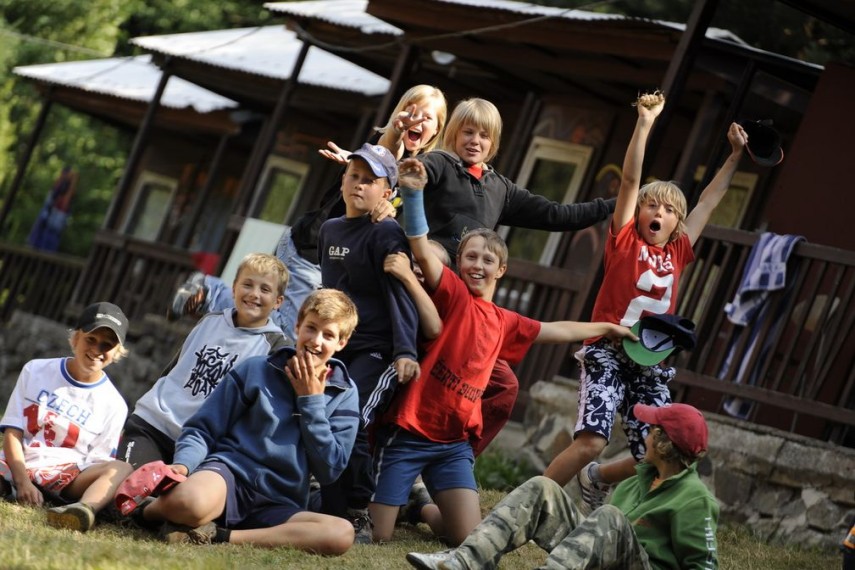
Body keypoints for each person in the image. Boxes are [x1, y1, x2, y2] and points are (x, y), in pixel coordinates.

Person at [367, 159, 636, 545]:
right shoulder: (452, 295)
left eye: (487, 259)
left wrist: (607, 328)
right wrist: (412, 194)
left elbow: (556, 329)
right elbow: (422, 249)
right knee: (379, 535)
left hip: (453, 445)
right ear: (459, 264)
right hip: (409, 434)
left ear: (501, 269)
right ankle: (392, 502)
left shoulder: (504, 320)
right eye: (470, 257)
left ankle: (419, 508)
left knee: (467, 538)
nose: (477, 265)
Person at [542, 92, 748, 513]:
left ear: (677, 223)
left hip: (650, 361)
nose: (658, 211)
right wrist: (645, 122)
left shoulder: (679, 251)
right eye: (650, 205)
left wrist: (735, 157)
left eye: (668, 209)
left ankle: (598, 478)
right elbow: (631, 181)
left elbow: (709, 200)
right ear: (638, 213)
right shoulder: (624, 241)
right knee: (591, 441)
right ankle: (529, 503)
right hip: (608, 351)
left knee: (657, 453)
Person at [169, 84, 448, 338]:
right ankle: (213, 292)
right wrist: (396, 131)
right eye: (412, 112)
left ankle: (210, 291)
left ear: (436, 130)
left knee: (276, 320)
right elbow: (388, 149)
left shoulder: (415, 174)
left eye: (427, 118)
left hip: (334, 259)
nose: (417, 121)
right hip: (312, 251)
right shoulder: (381, 149)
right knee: (289, 333)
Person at [132, 289, 360, 555]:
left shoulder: (345, 393)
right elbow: (202, 429)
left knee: (341, 534)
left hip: (280, 501)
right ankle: (145, 511)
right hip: (228, 476)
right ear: (298, 326)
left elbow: (329, 470)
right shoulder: (257, 368)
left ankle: (218, 535)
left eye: (328, 335)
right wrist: (183, 465)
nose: (316, 341)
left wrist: (311, 403)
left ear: (342, 342)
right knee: (189, 502)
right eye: (311, 328)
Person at [406, 402, 719, 570]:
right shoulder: (639, 477)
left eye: (652, 429)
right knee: (542, 486)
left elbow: (704, 565)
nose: (645, 433)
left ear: (664, 443)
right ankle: (466, 560)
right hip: (610, 559)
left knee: (611, 517)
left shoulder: (694, 498)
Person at [316, 142, 421, 543]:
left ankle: (359, 508)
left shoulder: (386, 231)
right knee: (319, 415)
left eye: (370, 180)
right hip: (336, 346)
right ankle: (329, 504)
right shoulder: (329, 229)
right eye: (354, 176)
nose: (359, 185)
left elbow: (400, 294)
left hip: (377, 349)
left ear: (387, 192)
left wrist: (405, 350)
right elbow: (328, 291)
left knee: (353, 417)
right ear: (343, 180)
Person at [118, 253, 290, 469]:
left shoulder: (276, 347)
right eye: (247, 285)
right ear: (234, 288)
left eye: (265, 289)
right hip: (155, 425)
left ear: (278, 302)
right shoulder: (210, 320)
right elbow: (175, 368)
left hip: (206, 446)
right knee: (128, 480)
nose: (254, 294)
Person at [0, 302, 133, 532]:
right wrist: (23, 481)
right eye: (91, 339)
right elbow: (13, 431)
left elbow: (98, 461)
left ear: (117, 353)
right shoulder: (35, 370)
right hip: (18, 463)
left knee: (121, 468)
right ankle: (12, 487)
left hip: (68, 477)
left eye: (107, 345)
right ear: (76, 338)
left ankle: (82, 511)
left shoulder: (115, 405)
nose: (97, 349)